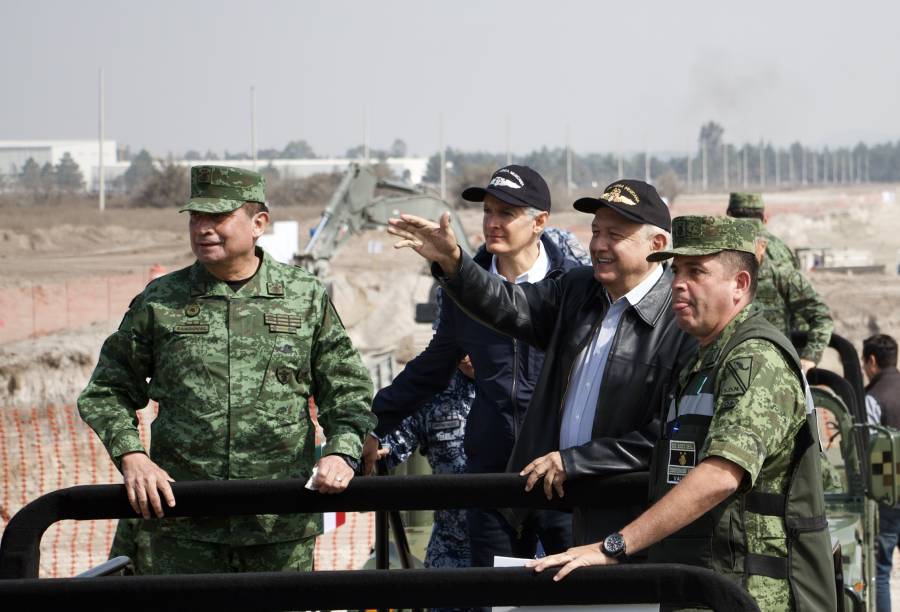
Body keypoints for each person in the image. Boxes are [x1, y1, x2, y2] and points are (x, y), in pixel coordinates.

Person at [530, 216, 837, 612]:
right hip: (702, 583)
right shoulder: (702, 363)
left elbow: (720, 476)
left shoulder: (755, 359)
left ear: (739, 285)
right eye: (676, 270)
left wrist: (615, 546)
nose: (678, 282)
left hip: (751, 594)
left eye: (697, 271)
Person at [78, 165, 376, 574]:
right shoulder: (162, 301)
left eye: (218, 217)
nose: (203, 228)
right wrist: (133, 457)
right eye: (196, 217)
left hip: (277, 526)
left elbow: (346, 389)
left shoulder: (304, 296)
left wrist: (343, 452)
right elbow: (107, 390)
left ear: (259, 224)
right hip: (183, 528)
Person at [385, 179, 695, 545]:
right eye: (596, 232)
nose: (598, 245)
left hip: (622, 513)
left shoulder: (682, 322)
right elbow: (506, 304)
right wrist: (453, 263)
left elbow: (672, 436)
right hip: (552, 496)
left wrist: (578, 461)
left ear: (656, 245)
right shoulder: (577, 290)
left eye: (614, 235)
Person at [365, 165, 585, 569]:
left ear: (540, 222)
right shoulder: (461, 288)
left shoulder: (576, 285)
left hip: (562, 477)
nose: (492, 223)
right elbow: (430, 369)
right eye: (488, 211)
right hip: (493, 477)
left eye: (506, 213)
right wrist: (367, 426)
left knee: (571, 598)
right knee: (496, 598)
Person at [727, 192, 833, 371]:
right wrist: (804, 358)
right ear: (765, 218)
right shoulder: (781, 250)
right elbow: (806, 313)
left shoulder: (721, 251)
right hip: (774, 362)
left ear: (729, 214)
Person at [863, 333, 900, 612]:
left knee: (882, 570)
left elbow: (869, 452)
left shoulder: (872, 399)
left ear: (872, 361)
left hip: (889, 495)